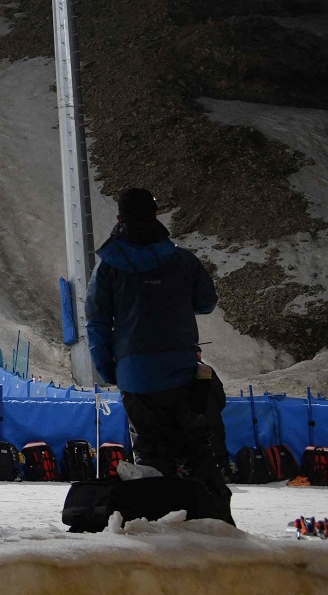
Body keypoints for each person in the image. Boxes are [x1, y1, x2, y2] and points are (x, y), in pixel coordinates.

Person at [86, 188, 226, 502]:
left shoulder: (108, 266)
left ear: (120, 218)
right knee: (198, 453)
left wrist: (110, 368)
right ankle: (217, 524)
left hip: (136, 378)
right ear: (156, 215)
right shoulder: (182, 259)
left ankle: (162, 528)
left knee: (151, 458)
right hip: (186, 374)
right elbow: (206, 302)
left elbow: (95, 320)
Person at [192, 345, 230, 482]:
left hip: (191, 418)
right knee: (217, 444)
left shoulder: (178, 371)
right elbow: (218, 394)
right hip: (210, 416)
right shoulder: (203, 369)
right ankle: (222, 471)